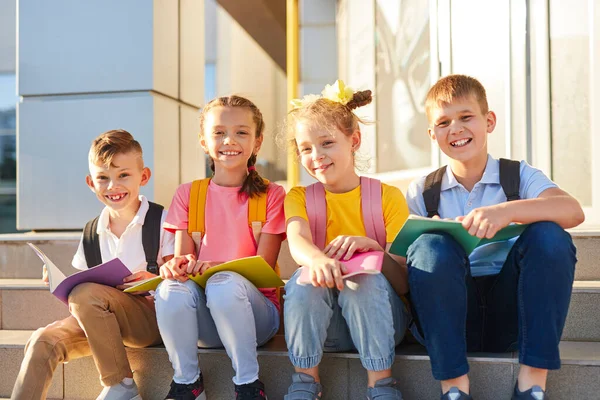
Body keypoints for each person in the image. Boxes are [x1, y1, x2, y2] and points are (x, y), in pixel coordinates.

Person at [405, 74, 585, 400]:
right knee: (430, 245)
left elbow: (572, 211)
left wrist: (505, 213)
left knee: (549, 233)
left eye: (466, 117)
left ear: (489, 121)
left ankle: (531, 385)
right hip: (453, 313)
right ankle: (454, 391)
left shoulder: (517, 175)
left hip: (512, 310)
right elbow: (402, 266)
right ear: (433, 135)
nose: (456, 129)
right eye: (443, 122)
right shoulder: (423, 191)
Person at [12, 129, 175, 400]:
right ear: (90, 182)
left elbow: (182, 283)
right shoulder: (91, 231)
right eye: (103, 178)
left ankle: (121, 385)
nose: (113, 186)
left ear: (143, 177)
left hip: (152, 319)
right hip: (104, 324)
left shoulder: (163, 220)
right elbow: (85, 295)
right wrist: (59, 281)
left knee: (85, 292)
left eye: (123, 175)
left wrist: (155, 279)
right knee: (42, 340)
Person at [283, 80, 410, 400]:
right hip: (328, 331)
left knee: (363, 281)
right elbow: (297, 241)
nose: (316, 156)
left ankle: (381, 384)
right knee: (303, 278)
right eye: (306, 148)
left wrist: (377, 252)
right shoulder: (298, 197)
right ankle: (305, 382)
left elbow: (405, 282)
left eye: (327, 143)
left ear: (354, 139)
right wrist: (318, 260)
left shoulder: (387, 197)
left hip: (384, 322)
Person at [154, 95, 286, 400]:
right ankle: (187, 383)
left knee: (223, 284)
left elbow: (264, 269)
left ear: (257, 141)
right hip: (203, 321)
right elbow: (183, 259)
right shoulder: (189, 194)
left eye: (241, 132)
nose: (229, 140)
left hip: (257, 318)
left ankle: (248, 385)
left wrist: (215, 269)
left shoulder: (272, 195)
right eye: (218, 132)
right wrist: (177, 265)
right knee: (170, 289)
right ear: (203, 141)